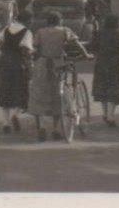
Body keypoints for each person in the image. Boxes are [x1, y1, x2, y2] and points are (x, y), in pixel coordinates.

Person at [29, 10, 83, 141]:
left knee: (39, 94)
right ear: (60, 21)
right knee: (59, 95)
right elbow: (75, 42)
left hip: (42, 64)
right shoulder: (64, 30)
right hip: (58, 64)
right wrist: (85, 53)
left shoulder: (40, 32)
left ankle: (41, 127)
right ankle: (56, 129)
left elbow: (34, 46)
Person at [0, 8, 33, 133]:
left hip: (5, 62)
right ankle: (15, 115)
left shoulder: (6, 29)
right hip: (19, 63)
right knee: (21, 90)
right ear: (27, 20)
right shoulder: (26, 32)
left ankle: (6, 122)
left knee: (5, 91)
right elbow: (25, 49)